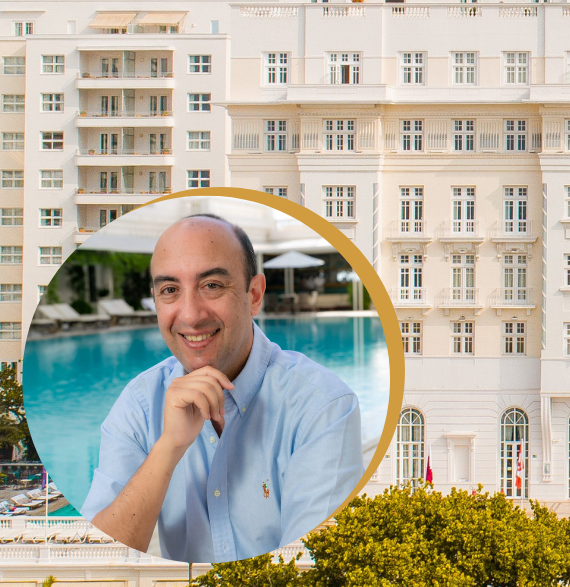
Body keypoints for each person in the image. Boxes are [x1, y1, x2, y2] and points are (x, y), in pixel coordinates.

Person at [81, 214, 363, 563]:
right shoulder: (139, 405)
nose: (190, 315)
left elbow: (312, 566)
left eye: (212, 285)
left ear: (254, 294)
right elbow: (98, 557)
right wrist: (168, 448)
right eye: (170, 290)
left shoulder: (323, 407)